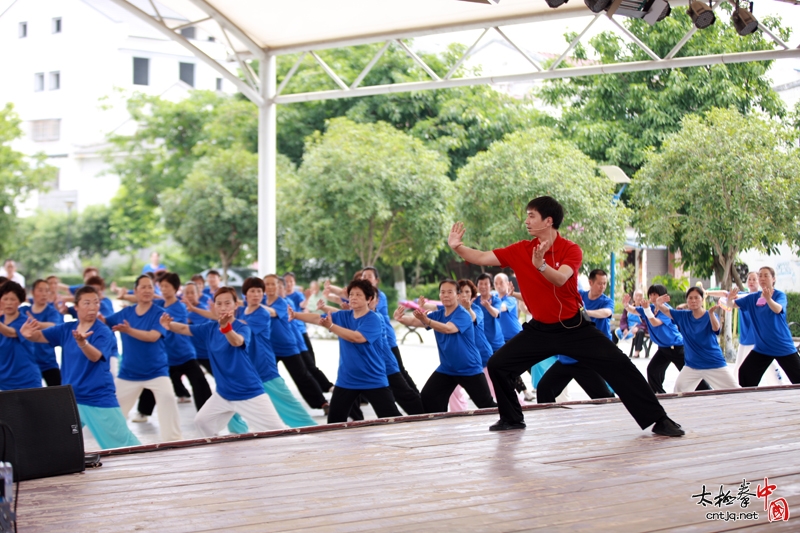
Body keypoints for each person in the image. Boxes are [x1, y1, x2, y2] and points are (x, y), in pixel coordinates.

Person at [448, 195, 684, 436]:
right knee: (498, 365)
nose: (527, 221)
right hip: (540, 330)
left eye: (532, 216)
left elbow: (561, 278)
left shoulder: (570, 249)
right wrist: (457, 246)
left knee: (622, 366)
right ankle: (511, 418)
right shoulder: (520, 250)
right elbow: (481, 256)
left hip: (575, 328)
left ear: (548, 221)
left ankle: (660, 420)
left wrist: (540, 265)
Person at [20, 286, 141, 449]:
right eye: (87, 303)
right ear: (76, 307)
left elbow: (95, 356)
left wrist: (83, 343)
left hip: (97, 397)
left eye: (96, 302)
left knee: (124, 445)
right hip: (71, 398)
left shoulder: (102, 331)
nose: (93, 307)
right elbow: (40, 336)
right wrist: (27, 333)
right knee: (58, 443)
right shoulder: (66, 329)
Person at [161, 287, 287, 436]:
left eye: (227, 303)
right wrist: (168, 325)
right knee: (202, 422)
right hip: (224, 393)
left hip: (249, 392)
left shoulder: (243, 327)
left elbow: (237, 341)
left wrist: (226, 328)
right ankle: (219, 454)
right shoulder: (209, 328)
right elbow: (184, 328)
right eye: (218, 304)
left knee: (279, 433)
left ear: (235, 305)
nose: (222, 307)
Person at [291, 279, 402, 423]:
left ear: (369, 299)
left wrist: (331, 326)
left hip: (373, 378)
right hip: (347, 379)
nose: (353, 298)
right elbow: (317, 318)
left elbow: (356, 337)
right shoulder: (343, 316)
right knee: (334, 422)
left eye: (358, 295)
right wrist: (295, 315)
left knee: (392, 419)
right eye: (351, 295)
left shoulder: (374, 319)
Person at [394, 280, 496, 414]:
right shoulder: (439, 314)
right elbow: (415, 320)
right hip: (447, 369)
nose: (445, 295)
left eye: (450, 292)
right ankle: (439, 424)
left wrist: (428, 321)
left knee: (486, 404)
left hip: (469, 369)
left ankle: (509, 421)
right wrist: (401, 318)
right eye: (442, 292)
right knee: (429, 396)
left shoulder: (463, 314)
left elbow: (448, 329)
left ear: (457, 295)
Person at [103, 275, 182, 442]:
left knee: (168, 399)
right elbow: (104, 323)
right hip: (129, 373)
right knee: (113, 411)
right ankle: (111, 442)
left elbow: (152, 336)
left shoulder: (160, 314)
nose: (147, 290)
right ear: (136, 291)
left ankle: (174, 442)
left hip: (156, 371)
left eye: (150, 287)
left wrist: (129, 330)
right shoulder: (126, 313)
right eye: (143, 287)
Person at [236, 277, 316, 428]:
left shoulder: (262, 313)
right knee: (232, 398)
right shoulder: (242, 312)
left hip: (264, 364)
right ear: (245, 293)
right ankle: (239, 430)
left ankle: (310, 426)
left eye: (259, 291)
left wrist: (226, 324)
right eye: (252, 291)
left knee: (286, 398)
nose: (256, 294)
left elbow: (242, 328)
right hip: (250, 365)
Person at [536, 269, 616, 403]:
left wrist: (586, 313)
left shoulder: (606, 301)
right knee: (544, 388)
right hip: (568, 356)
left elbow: (606, 313)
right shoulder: (579, 296)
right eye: (599, 283)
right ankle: (549, 418)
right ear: (590, 282)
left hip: (589, 357)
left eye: (605, 283)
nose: (602, 287)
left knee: (603, 397)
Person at [264, 274, 329, 413]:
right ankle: (266, 407)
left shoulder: (282, 302)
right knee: (264, 376)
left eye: (273, 284)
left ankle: (323, 403)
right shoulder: (262, 301)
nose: (270, 287)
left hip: (288, 346)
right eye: (266, 284)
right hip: (269, 349)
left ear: (278, 287)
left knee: (302, 377)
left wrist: (255, 305)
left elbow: (272, 313)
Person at [727, 266, 800, 387]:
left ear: (773, 279)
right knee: (745, 373)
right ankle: (749, 402)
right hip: (763, 348)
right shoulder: (752, 298)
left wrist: (768, 299)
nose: (762, 278)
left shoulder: (780, 295)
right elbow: (732, 305)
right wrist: (729, 299)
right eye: (760, 275)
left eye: (766, 275)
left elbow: (777, 309)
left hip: (782, 346)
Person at [654, 287, 738, 392]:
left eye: (696, 298)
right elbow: (667, 311)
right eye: (690, 298)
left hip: (714, 363)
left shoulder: (710, 314)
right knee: (679, 389)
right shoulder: (683, 315)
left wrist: (711, 314)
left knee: (735, 390)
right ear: (687, 300)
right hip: (692, 366)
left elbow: (716, 329)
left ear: (702, 300)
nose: (693, 300)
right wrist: (658, 303)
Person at [626, 285, 706, 394]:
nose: (652, 297)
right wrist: (626, 304)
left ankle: (706, 390)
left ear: (662, 296)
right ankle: (658, 393)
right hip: (663, 348)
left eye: (655, 294)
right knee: (653, 370)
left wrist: (646, 309)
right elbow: (633, 310)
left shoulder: (666, 310)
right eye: (650, 294)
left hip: (676, 347)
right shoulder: (651, 308)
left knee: (691, 371)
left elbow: (654, 322)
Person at [157, 273, 212, 410]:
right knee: (156, 384)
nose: (164, 289)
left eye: (167, 286)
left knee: (200, 384)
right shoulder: (159, 305)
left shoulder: (180, 307)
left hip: (186, 354)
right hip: (168, 356)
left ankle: (206, 413)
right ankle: (143, 411)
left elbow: (180, 325)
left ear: (175, 288)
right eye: (161, 286)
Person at [0, 281, 42, 390]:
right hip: (4, 382)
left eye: (13, 299)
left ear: (19, 301)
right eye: (5, 299)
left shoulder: (25, 321)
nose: (8, 303)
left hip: (27, 381)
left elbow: (9, 332)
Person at [23, 279, 64, 386]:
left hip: (48, 363)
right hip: (28, 364)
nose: (44, 294)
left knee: (58, 396)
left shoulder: (52, 311)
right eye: (40, 290)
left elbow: (54, 325)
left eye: (47, 290)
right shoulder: (23, 310)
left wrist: (36, 324)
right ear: (32, 292)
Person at [616, 290, 647, 358]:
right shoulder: (628, 307)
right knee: (614, 332)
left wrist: (638, 327)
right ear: (634, 297)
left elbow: (646, 321)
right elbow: (623, 319)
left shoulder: (645, 308)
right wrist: (625, 328)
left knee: (640, 332)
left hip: (639, 327)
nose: (638, 298)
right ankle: (613, 349)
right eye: (637, 296)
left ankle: (637, 352)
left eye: (640, 296)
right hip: (628, 327)